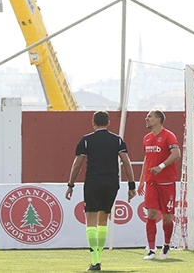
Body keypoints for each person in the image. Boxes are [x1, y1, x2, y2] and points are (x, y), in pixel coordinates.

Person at [65, 111, 136, 271]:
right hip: (111, 182)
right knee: (103, 219)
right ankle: (98, 257)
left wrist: (70, 184)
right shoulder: (117, 140)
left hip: (93, 182)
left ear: (93, 123)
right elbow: (126, 162)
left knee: (90, 220)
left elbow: (77, 164)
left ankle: (95, 261)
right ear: (109, 123)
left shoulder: (86, 140)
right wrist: (132, 185)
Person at [137, 110, 181, 260]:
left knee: (167, 218)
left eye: (149, 116)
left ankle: (167, 245)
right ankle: (151, 250)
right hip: (151, 183)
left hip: (167, 183)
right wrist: (142, 181)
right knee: (151, 214)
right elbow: (147, 159)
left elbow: (176, 154)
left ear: (158, 119)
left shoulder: (169, 136)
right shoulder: (146, 138)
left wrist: (160, 167)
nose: (146, 119)